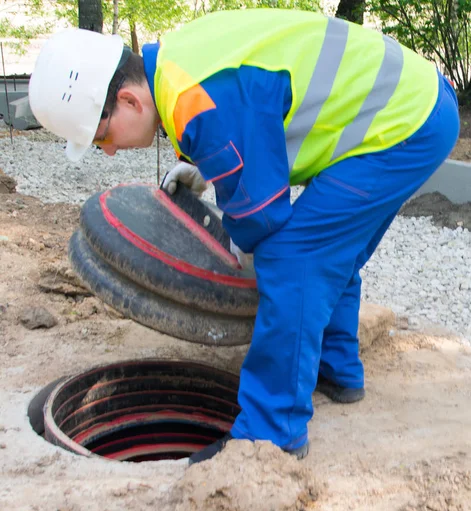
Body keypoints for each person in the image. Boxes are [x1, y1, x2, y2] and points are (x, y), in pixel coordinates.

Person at [29, 9, 460, 465]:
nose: (110, 150)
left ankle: (269, 435)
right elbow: (248, 111)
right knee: (329, 247)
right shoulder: (175, 66)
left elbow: (261, 216)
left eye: (101, 136)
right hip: (417, 107)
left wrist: (238, 232)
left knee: (295, 259)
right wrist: (204, 165)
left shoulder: (199, 99)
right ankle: (336, 369)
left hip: (403, 126)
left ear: (131, 101)